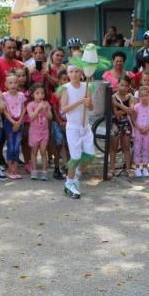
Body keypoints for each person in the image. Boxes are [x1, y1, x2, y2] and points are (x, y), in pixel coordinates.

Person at [59, 64, 95, 198]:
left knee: (89, 155)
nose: (74, 74)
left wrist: (88, 103)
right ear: (68, 74)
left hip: (85, 126)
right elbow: (63, 109)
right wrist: (80, 102)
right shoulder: (65, 89)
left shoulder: (87, 87)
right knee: (75, 157)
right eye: (71, 72)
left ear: (82, 73)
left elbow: (91, 107)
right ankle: (69, 183)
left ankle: (75, 175)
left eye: (77, 71)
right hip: (73, 127)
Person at [2, 73, 27, 179]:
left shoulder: (21, 95)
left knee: (17, 146)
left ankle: (15, 169)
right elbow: (4, 110)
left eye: (15, 82)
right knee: (10, 146)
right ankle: (10, 169)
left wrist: (19, 121)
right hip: (9, 122)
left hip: (19, 122)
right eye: (10, 83)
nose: (13, 85)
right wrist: (13, 122)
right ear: (6, 84)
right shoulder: (4, 96)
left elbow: (23, 108)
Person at [110, 75, 134, 179]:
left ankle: (128, 169)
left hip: (126, 124)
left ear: (129, 87)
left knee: (126, 147)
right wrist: (126, 109)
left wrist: (119, 105)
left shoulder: (130, 97)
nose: (123, 88)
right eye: (122, 85)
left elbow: (131, 111)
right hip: (115, 123)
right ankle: (112, 169)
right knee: (113, 147)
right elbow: (116, 114)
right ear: (118, 84)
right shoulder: (113, 97)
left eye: (126, 86)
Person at [26, 83, 52, 180]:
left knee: (43, 151)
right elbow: (31, 117)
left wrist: (46, 110)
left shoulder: (46, 104)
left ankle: (44, 172)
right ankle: (34, 171)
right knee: (34, 151)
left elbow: (50, 117)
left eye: (42, 93)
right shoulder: (30, 105)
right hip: (34, 132)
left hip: (44, 132)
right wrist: (38, 108)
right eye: (37, 93)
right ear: (33, 94)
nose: (40, 95)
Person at [132, 85, 149, 178]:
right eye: (141, 96)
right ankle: (137, 167)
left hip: (148, 132)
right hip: (138, 131)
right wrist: (138, 127)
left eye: (146, 95)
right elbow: (134, 119)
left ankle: (145, 166)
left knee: (146, 148)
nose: (144, 98)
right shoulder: (136, 107)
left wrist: (147, 128)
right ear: (139, 97)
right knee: (137, 148)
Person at [50, 69, 69, 180]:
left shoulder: (72, 93)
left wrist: (67, 122)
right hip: (57, 123)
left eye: (68, 79)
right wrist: (60, 121)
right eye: (64, 79)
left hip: (69, 123)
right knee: (58, 144)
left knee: (68, 146)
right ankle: (56, 168)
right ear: (59, 81)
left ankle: (68, 167)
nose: (66, 81)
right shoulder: (56, 94)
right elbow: (55, 110)